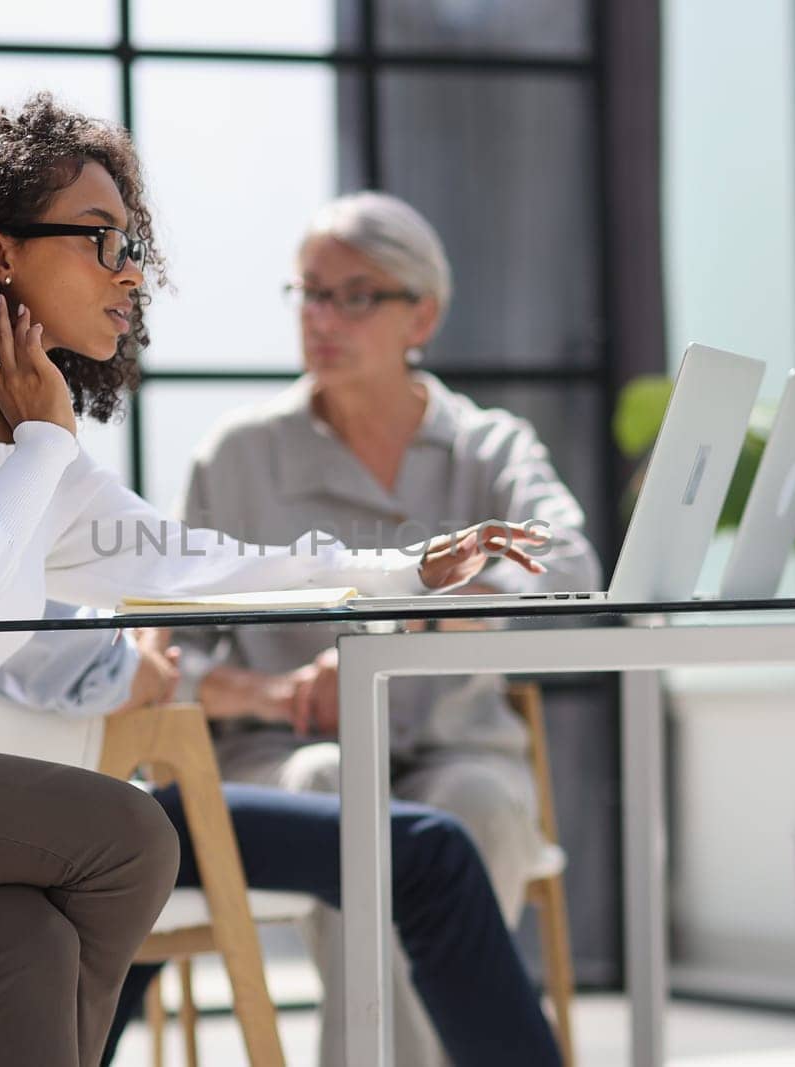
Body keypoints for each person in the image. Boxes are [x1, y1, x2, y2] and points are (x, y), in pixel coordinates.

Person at [0, 95, 548, 1067]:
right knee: (126, 829)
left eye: (135, 243)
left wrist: (399, 567)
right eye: (99, 239)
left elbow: (190, 555)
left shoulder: (22, 450)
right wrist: (41, 441)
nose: (131, 272)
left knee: (25, 945)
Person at [176, 191, 602, 1066]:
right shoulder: (237, 455)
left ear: (425, 315)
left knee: (471, 809)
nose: (322, 318)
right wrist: (275, 690)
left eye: (355, 295)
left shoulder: (490, 448)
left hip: (461, 750)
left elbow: (568, 567)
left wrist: (410, 615)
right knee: (340, 787)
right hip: (285, 756)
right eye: (309, 293)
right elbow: (171, 650)